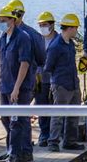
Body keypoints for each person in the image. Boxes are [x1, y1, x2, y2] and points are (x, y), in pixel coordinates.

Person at [0, 3, 35, 162]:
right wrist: (1, 63)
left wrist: (17, 87)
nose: (1, 24)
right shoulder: (3, 37)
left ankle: (17, 154)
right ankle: (20, 150)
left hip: (19, 88)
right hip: (5, 85)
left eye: (3, 20)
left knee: (17, 121)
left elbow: (25, 63)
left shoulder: (22, 37)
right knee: (6, 119)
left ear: (12, 20)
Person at [43, 13, 83, 152]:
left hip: (73, 83)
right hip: (61, 85)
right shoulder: (55, 46)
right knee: (58, 114)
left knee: (74, 113)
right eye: (76, 28)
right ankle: (53, 141)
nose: (77, 31)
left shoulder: (70, 44)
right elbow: (48, 67)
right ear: (70, 28)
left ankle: (70, 141)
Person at [34, 11, 57, 148]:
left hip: (54, 80)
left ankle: (54, 135)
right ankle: (44, 134)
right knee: (42, 107)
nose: (43, 27)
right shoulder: (37, 40)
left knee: (55, 108)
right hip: (40, 79)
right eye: (41, 25)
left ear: (52, 25)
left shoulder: (59, 40)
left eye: (45, 25)